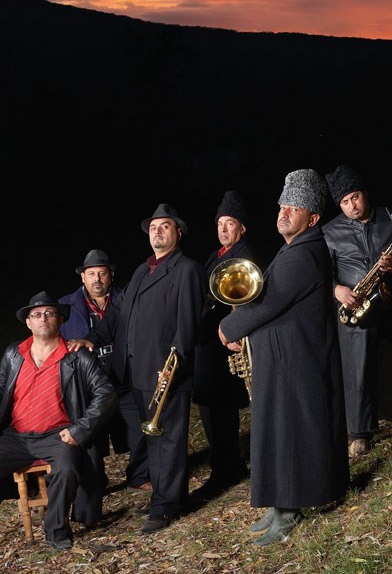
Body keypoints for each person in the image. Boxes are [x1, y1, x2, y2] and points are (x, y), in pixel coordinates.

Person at [218, 169, 349, 546]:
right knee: (275, 430)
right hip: (284, 358)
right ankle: (277, 505)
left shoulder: (304, 254)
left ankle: (288, 512)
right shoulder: (294, 249)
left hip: (296, 361)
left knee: (289, 432)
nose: (285, 213)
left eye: (295, 208)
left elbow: (269, 303)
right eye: (283, 205)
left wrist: (229, 329)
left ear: (313, 218)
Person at [75, 203, 206, 533]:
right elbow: (116, 316)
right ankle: (162, 497)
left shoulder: (187, 269)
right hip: (135, 371)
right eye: (153, 228)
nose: (157, 232)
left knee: (171, 439)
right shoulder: (141, 270)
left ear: (178, 232)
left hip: (165, 371)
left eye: (165, 226)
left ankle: (169, 505)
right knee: (154, 441)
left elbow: (188, 326)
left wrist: (174, 365)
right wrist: (91, 338)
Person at [323, 164, 392, 458]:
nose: (352, 205)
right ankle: (359, 433)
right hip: (356, 307)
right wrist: (336, 290)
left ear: (365, 194)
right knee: (357, 370)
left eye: (355, 197)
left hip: (390, 303)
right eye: (345, 202)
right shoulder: (329, 232)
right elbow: (320, 274)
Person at [0, 292, 117, 550]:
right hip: (16, 436)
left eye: (50, 313)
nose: (43, 318)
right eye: (36, 314)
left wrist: (79, 430)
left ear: (60, 320)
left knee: (66, 468)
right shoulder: (13, 354)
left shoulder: (78, 356)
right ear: (28, 322)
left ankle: (56, 532)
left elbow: (106, 394)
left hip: (57, 436)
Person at [59, 249, 150, 492]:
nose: (97, 279)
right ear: (83, 277)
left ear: (111, 275)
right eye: (91, 274)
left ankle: (138, 476)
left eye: (102, 273)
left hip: (124, 379)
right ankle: (96, 483)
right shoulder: (64, 307)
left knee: (141, 427)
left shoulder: (127, 298)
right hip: (88, 385)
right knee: (92, 437)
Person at [193, 191, 254, 500]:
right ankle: (226, 465)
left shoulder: (245, 255)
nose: (224, 229)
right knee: (211, 407)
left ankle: (226, 469)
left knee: (221, 408)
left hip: (224, 341)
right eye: (220, 223)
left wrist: (238, 333)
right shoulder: (217, 255)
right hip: (208, 340)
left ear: (242, 228)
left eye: (230, 223)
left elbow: (248, 298)